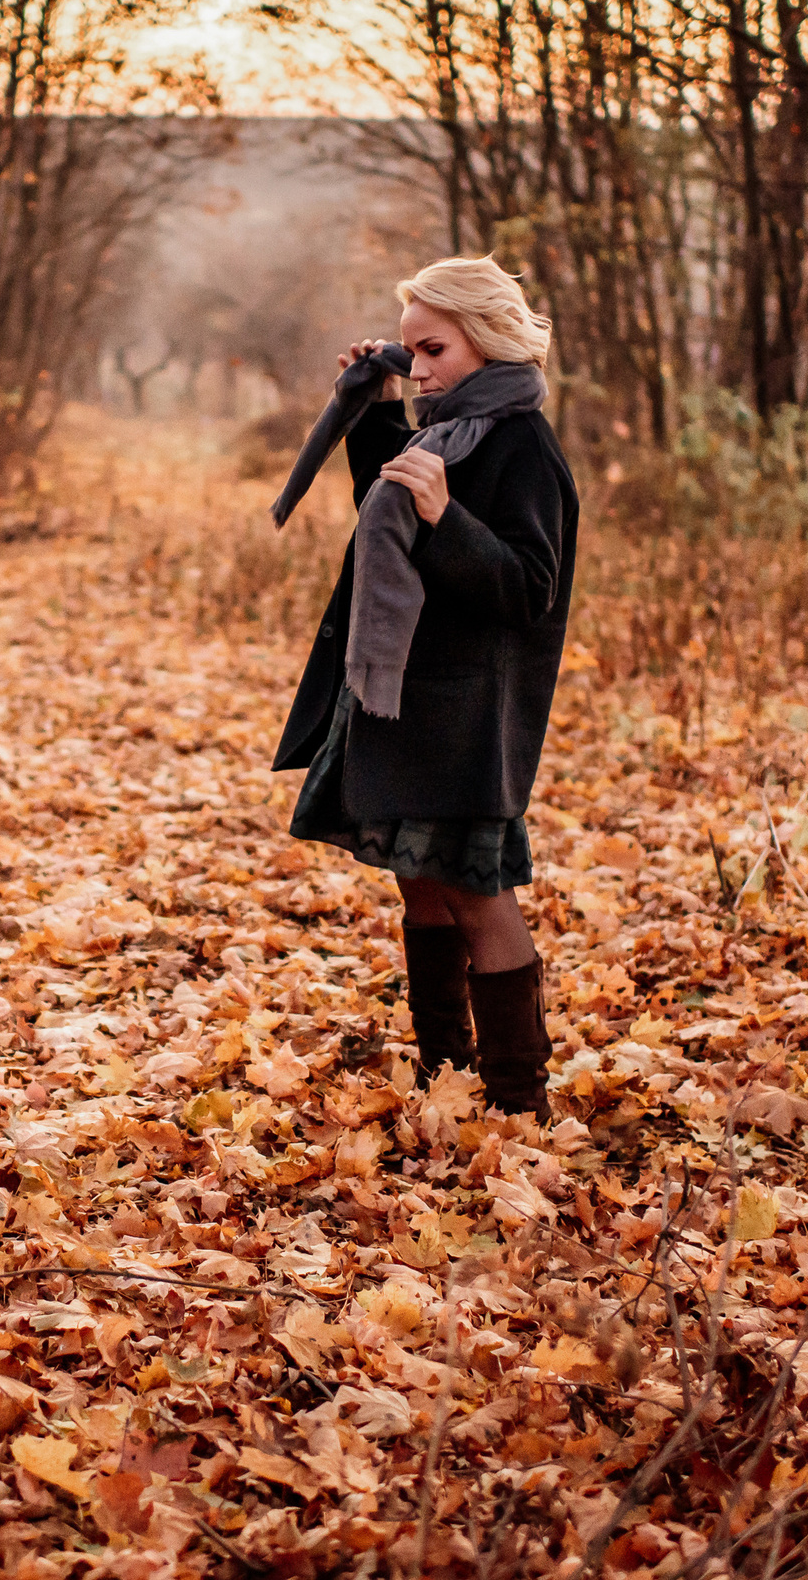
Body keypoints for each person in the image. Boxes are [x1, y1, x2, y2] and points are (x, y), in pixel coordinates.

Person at [270, 256, 579, 1119]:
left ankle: (519, 1104)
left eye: (434, 349)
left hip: (468, 715)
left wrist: (449, 516)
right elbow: (391, 513)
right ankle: (446, 1071)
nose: (418, 369)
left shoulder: (520, 443)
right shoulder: (446, 430)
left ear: (487, 340)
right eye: (410, 351)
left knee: (478, 892)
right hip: (414, 702)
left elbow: (529, 588)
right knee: (420, 878)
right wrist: (375, 414)